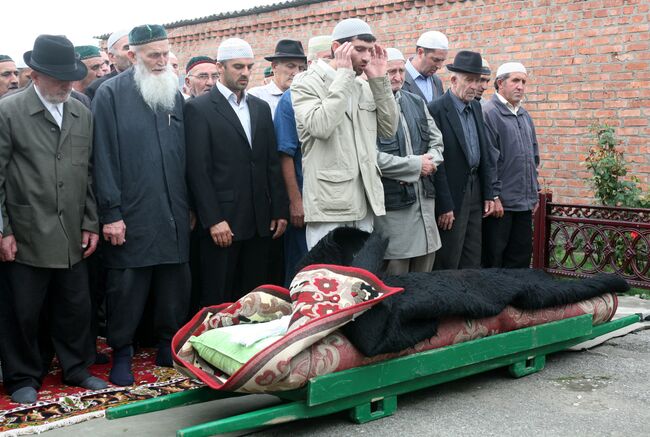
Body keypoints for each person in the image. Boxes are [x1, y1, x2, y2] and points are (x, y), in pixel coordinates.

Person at [0, 34, 107, 404]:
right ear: (35, 75)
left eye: (70, 75)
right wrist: (3, 231)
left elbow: (88, 173)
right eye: (57, 76)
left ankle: (76, 368)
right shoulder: (8, 112)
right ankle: (22, 377)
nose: (66, 83)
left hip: (71, 234)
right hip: (25, 232)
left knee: (76, 307)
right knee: (22, 313)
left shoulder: (81, 111)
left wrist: (90, 222)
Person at [92, 24, 191, 386]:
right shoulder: (109, 94)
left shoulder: (173, 94)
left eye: (166, 53)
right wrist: (111, 213)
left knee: (174, 285)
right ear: (133, 56)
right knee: (127, 289)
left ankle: (169, 345)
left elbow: (184, 155)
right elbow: (101, 157)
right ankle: (122, 353)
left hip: (174, 210)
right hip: (131, 213)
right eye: (154, 55)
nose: (163, 61)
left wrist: (191, 207)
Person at [184, 38, 288, 306]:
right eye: (237, 66)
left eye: (249, 67)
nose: (244, 73)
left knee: (254, 298)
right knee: (218, 296)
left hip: (260, 221)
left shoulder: (260, 107)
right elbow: (198, 171)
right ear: (220, 67)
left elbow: (270, 164)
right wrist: (213, 219)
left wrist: (278, 209)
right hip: (223, 223)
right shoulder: (199, 109)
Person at [291, 18, 400, 249]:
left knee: (359, 280)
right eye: (359, 49)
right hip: (330, 206)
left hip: (365, 202)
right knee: (328, 280)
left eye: (370, 50)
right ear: (336, 49)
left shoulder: (364, 85)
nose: (367, 57)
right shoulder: (306, 82)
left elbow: (390, 129)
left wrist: (380, 81)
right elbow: (320, 126)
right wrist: (344, 76)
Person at [375, 48, 444, 274]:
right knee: (397, 274)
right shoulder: (369, 105)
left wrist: (431, 161)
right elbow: (370, 158)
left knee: (425, 275)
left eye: (401, 70)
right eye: (391, 71)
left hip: (424, 204)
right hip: (394, 210)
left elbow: (437, 143)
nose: (397, 77)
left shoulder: (415, 101)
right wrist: (415, 166)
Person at [428, 50, 496, 270]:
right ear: (454, 79)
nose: (475, 86)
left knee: (472, 254)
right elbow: (436, 163)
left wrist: (488, 193)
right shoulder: (436, 109)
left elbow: (484, 152)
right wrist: (444, 205)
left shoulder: (476, 107)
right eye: (469, 80)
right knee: (449, 256)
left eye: (478, 80)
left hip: (475, 189)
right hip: (452, 193)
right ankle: (447, 303)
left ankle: (469, 301)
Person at [274, 35, 331, 283]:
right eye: (328, 59)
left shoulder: (345, 92)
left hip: (333, 201)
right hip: (306, 202)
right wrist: (295, 201)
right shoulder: (291, 98)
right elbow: (285, 154)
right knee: (303, 273)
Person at [482, 62, 540, 268]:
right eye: (515, 80)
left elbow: (533, 158)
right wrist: (495, 196)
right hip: (501, 206)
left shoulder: (524, 115)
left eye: (523, 82)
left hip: (524, 203)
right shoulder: (489, 113)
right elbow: (489, 160)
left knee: (521, 259)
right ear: (500, 83)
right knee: (495, 260)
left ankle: (517, 301)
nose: (521, 86)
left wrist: (535, 192)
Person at [248, 39, 306, 117]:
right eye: (291, 66)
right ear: (274, 66)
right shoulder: (257, 96)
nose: (297, 73)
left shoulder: (305, 97)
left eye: (301, 68)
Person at [84, 29, 131, 100]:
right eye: (127, 48)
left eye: (135, 48)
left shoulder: (151, 80)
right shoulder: (99, 87)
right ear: (112, 57)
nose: (133, 52)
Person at [403, 31, 448, 103]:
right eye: (436, 60)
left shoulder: (437, 81)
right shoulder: (399, 80)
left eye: (442, 60)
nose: (439, 66)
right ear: (420, 52)